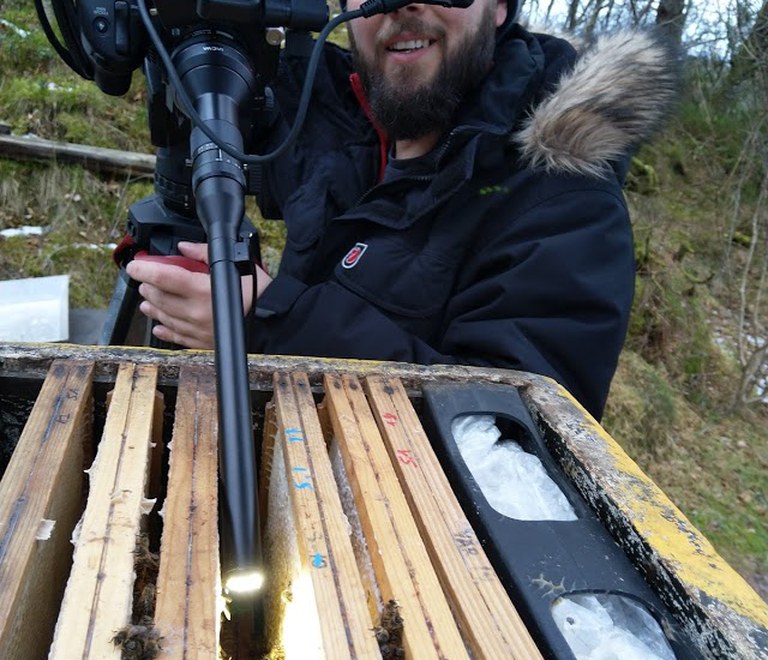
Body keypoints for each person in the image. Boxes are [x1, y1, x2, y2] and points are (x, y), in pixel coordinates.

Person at [125, 0, 678, 420]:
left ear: (501, 6)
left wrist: (271, 322)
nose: (404, 6)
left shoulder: (566, 204)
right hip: (292, 460)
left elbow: (509, 436)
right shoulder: (352, 119)